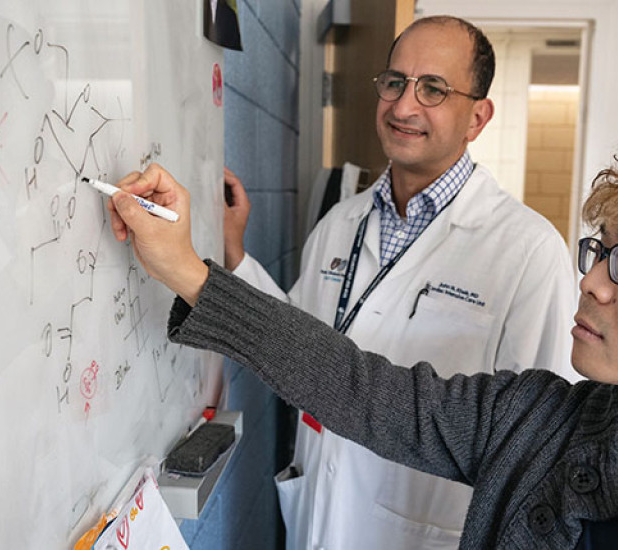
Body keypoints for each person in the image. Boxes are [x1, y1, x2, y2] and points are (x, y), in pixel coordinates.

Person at [109, 134, 618, 548]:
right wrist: (186, 269)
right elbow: (355, 386)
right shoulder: (534, 421)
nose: (592, 281)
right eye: (602, 252)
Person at [221, 15, 576, 549]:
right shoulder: (340, 223)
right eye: (394, 82)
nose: (404, 106)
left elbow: (541, 442)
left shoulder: (529, 251)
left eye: (433, 88)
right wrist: (234, 252)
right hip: (321, 517)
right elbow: (293, 348)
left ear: (477, 117)